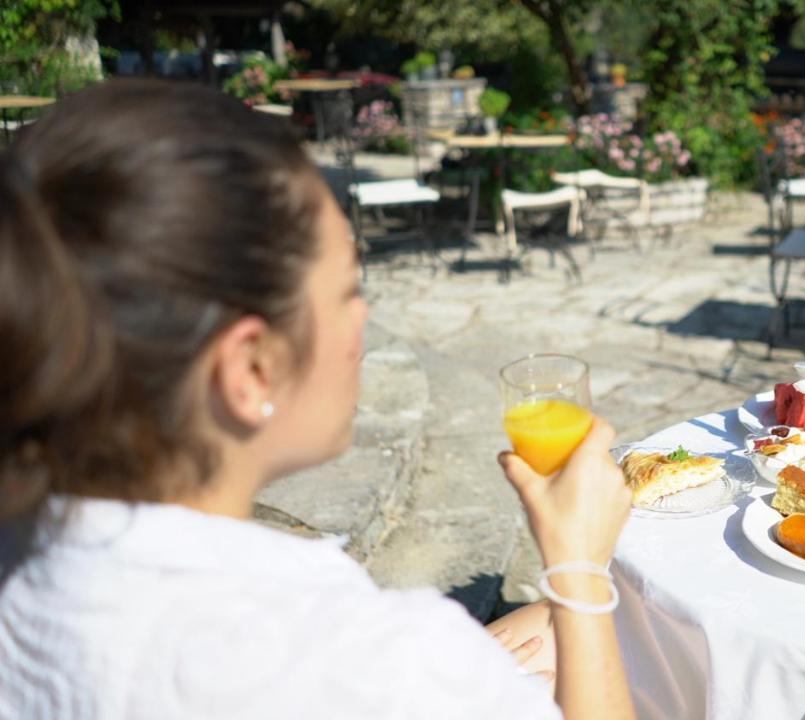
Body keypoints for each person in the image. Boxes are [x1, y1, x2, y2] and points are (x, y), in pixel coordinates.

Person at [0, 79, 635, 719]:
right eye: (346, 294)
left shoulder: (28, 567)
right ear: (250, 370)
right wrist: (579, 569)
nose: (363, 322)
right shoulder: (358, 658)